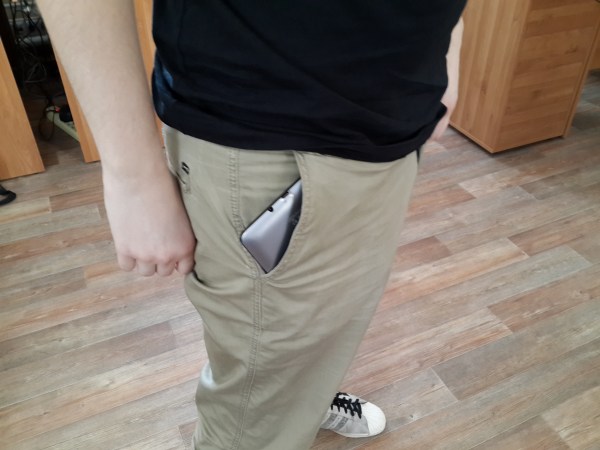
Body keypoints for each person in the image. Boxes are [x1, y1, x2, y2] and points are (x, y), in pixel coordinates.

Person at [38, 1, 465, 449]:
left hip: (393, 125)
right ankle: (280, 405)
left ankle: (303, 397)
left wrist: (449, 43)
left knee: (322, 332)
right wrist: (133, 175)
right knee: (254, 400)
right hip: (270, 140)